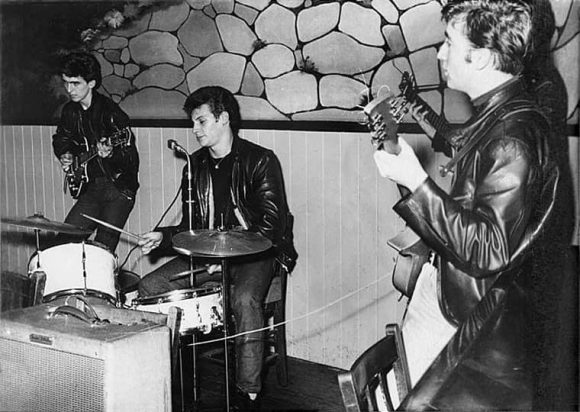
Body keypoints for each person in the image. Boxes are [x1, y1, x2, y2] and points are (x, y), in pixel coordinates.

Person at [372, 0, 564, 397]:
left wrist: (415, 179)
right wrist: (408, 179)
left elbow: (488, 248)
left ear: (479, 58)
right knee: (393, 389)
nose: (440, 53)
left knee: (393, 396)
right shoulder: (499, 114)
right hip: (451, 288)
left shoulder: (512, 135)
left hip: (465, 311)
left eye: (448, 42)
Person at [137, 86, 297, 409]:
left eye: (201, 121)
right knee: (149, 285)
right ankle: (166, 379)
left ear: (224, 119)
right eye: (193, 123)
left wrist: (228, 258)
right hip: (210, 256)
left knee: (245, 297)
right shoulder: (193, 167)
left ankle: (247, 392)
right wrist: (164, 237)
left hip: (260, 254)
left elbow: (271, 228)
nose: (195, 130)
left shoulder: (261, 161)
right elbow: (190, 229)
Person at [52, 51, 139, 253]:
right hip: (91, 188)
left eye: (75, 83)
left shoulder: (112, 113)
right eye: (66, 82)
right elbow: (61, 138)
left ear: (91, 83)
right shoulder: (70, 111)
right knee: (63, 245)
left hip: (118, 188)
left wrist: (111, 154)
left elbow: (131, 161)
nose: (69, 89)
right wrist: (66, 153)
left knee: (101, 253)